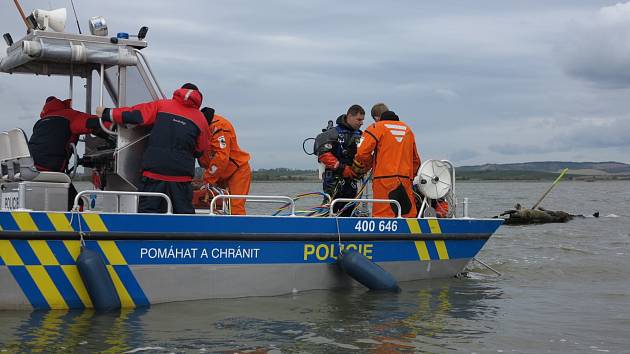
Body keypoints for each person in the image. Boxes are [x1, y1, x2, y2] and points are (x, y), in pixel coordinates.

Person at [96, 83, 209, 214]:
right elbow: (201, 150)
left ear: (179, 91)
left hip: (154, 174)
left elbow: (133, 114)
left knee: (148, 215)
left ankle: (148, 234)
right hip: (181, 178)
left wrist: (106, 113)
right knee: (183, 218)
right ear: (198, 97)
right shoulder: (201, 119)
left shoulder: (161, 106)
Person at [28, 96, 109, 210]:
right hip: (51, 169)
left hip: (29, 167)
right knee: (78, 203)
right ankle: (75, 226)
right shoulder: (70, 115)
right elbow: (95, 122)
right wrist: (115, 124)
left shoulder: (41, 122)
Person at [353, 110, 420, 218]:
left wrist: (369, 163)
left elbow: (361, 153)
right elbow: (416, 160)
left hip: (383, 181)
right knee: (407, 215)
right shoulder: (408, 130)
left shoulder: (376, 128)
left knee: (383, 216)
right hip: (406, 180)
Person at [198, 107, 252, 215]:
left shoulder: (219, 127)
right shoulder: (198, 128)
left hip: (237, 171)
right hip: (219, 174)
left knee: (235, 208)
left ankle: (238, 230)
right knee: (218, 206)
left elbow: (221, 157)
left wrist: (208, 179)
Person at [314, 104, 365, 216]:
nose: (362, 123)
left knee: (350, 210)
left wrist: (361, 169)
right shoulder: (332, 134)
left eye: (363, 120)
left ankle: (348, 231)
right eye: (359, 119)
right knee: (330, 210)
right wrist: (342, 168)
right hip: (334, 181)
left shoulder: (362, 136)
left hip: (352, 182)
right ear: (349, 116)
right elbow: (322, 152)